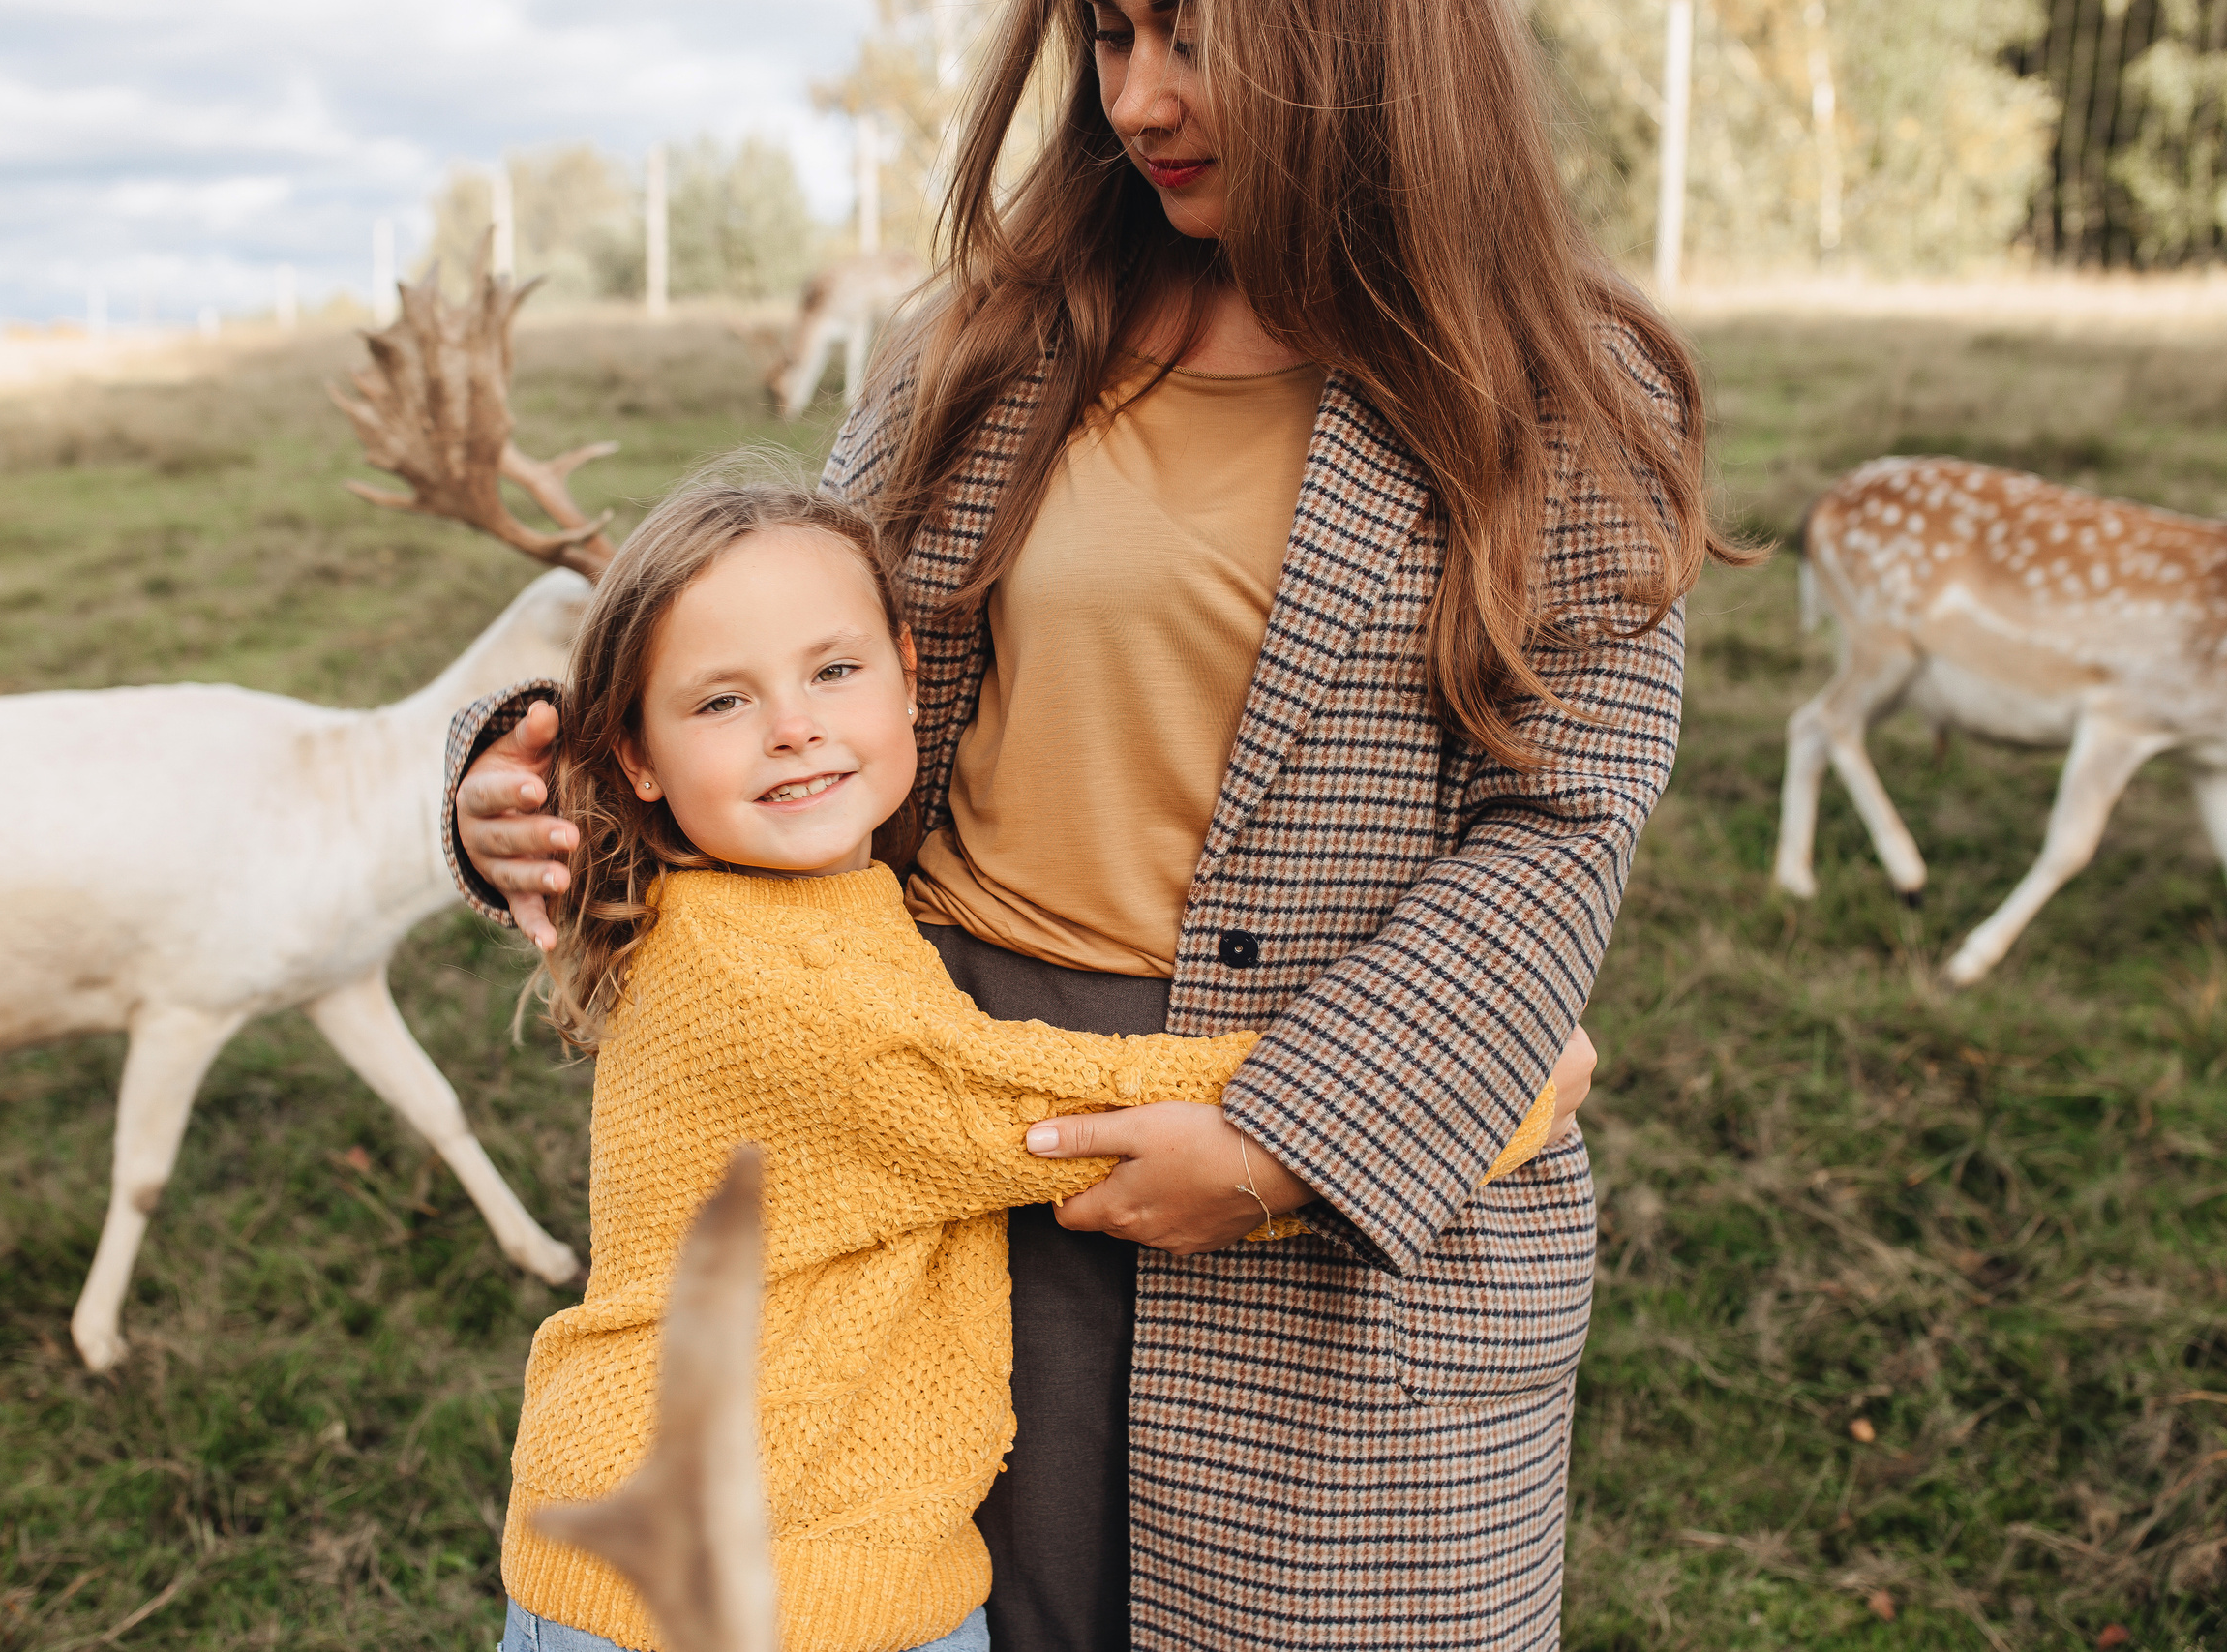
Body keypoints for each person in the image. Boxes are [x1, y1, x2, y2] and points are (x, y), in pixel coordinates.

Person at [454, 0, 1742, 1644]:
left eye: (1193, 37)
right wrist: (524, 769)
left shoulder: (1563, 385)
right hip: (963, 1135)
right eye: (1110, 32)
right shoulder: (1000, 331)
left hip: (1357, 1141)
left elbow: (1560, 826)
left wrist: (1300, 1137)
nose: (1137, 96)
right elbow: (784, 637)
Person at [491, 465, 1574, 1652]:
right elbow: (1086, 1109)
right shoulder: (772, 992)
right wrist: (1490, 1074)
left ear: (912, 674)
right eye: (720, 704)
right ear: (636, 758)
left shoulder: (776, 903)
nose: (794, 724)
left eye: (833, 671)